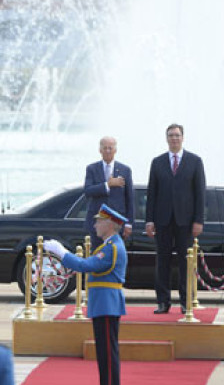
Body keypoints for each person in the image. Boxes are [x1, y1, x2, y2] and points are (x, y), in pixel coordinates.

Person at [44, 204, 127, 385]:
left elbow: (86, 265)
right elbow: (89, 265)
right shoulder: (109, 245)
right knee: (105, 353)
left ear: (110, 224)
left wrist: (61, 253)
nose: (95, 224)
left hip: (106, 304)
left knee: (107, 354)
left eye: (99, 221)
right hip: (104, 304)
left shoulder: (112, 247)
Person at [145, 123, 206, 314]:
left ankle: (186, 301)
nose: (174, 138)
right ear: (166, 138)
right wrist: (149, 220)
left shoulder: (195, 161)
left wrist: (198, 220)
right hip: (162, 221)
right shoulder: (157, 162)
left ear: (183, 137)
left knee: (185, 262)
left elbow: (200, 194)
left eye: (177, 135)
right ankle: (163, 302)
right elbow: (151, 194)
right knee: (162, 262)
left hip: (186, 222)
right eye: (171, 135)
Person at [83, 136, 134, 247]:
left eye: (110, 148)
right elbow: (87, 191)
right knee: (97, 258)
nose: (107, 151)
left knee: (115, 257)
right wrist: (107, 185)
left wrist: (129, 224)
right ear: (100, 150)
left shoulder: (125, 170)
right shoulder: (92, 168)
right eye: (104, 148)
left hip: (117, 224)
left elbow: (129, 199)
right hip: (97, 224)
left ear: (115, 150)